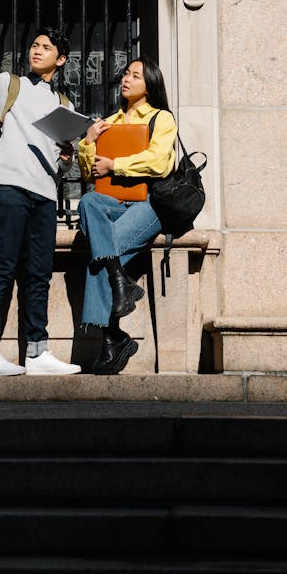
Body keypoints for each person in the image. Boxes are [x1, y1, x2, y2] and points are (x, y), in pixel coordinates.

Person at [0, 11, 81, 376]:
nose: (37, 51)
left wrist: (67, 157)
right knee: (1, 268)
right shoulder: (10, 85)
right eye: (35, 45)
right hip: (9, 188)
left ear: (61, 59)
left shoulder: (65, 106)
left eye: (46, 47)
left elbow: (61, 165)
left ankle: (38, 353)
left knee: (38, 273)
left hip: (44, 195)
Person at [77, 56, 177, 375]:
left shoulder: (161, 119)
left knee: (101, 253)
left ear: (150, 84)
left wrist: (115, 165)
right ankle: (121, 284)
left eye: (135, 75)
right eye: (125, 74)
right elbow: (88, 173)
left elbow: (160, 163)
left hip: (149, 205)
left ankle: (112, 339)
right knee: (89, 201)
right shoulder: (108, 123)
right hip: (112, 203)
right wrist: (88, 143)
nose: (126, 79)